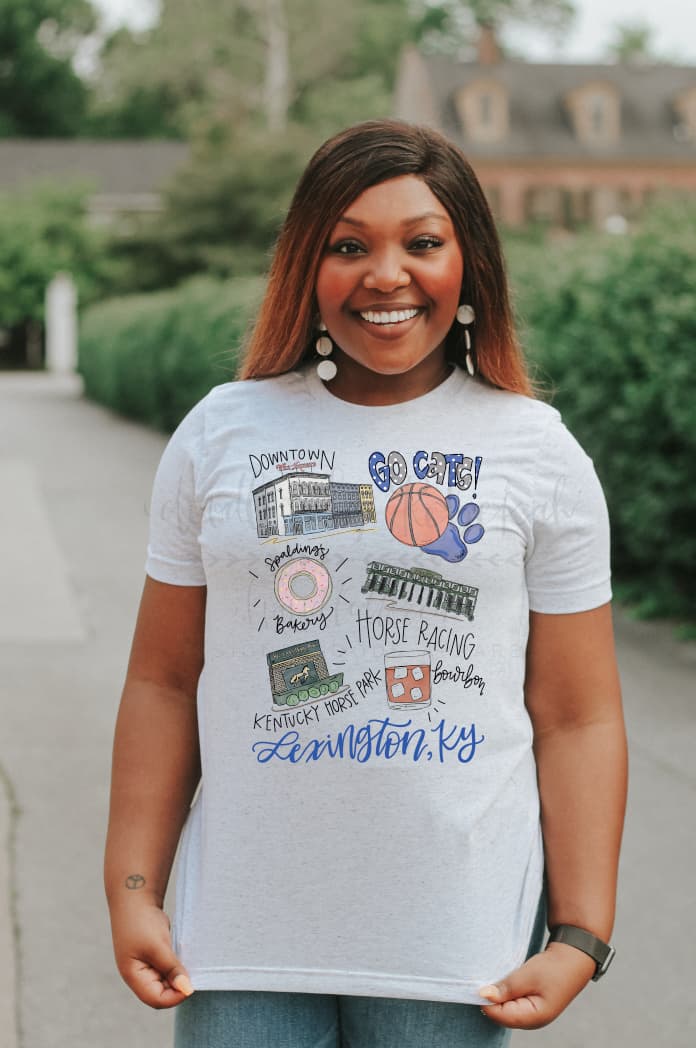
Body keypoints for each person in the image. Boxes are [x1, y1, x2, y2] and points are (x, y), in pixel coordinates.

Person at [104, 120, 628, 1048]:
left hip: (455, 949)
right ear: (307, 266)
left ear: (468, 266)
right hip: (243, 943)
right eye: (349, 247)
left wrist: (581, 933)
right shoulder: (223, 433)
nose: (387, 275)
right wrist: (134, 886)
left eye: (422, 243)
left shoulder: (535, 451)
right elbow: (164, 681)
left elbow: (577, 716)